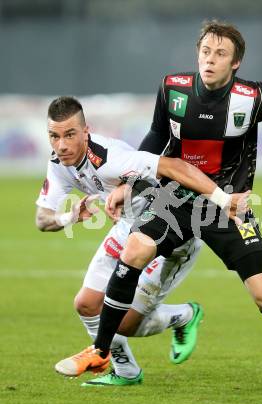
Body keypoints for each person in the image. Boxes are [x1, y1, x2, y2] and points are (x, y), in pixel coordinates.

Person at [60, 20, 262, 393]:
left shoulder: (252, 98)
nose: (210, 60)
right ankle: (100, 350)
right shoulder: (173, 88)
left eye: (220, 54)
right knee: (136, 248)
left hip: (228, 208)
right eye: (205, 52)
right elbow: (157, 135)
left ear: (236, 63)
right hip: (175, 201)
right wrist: (128, 183)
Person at [37, 96, 248, 386]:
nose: (61, 145)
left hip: (169, 233)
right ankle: (126, 372)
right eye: (54, 136)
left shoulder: (114, 158)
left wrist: (223, 200)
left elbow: (175, 167)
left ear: (86, 131)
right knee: (86, 304)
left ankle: (184, 315)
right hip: (127, 229)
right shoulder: (59, 163)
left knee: (124, 322)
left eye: (70, 135)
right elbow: (42, 219)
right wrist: (69, 216)